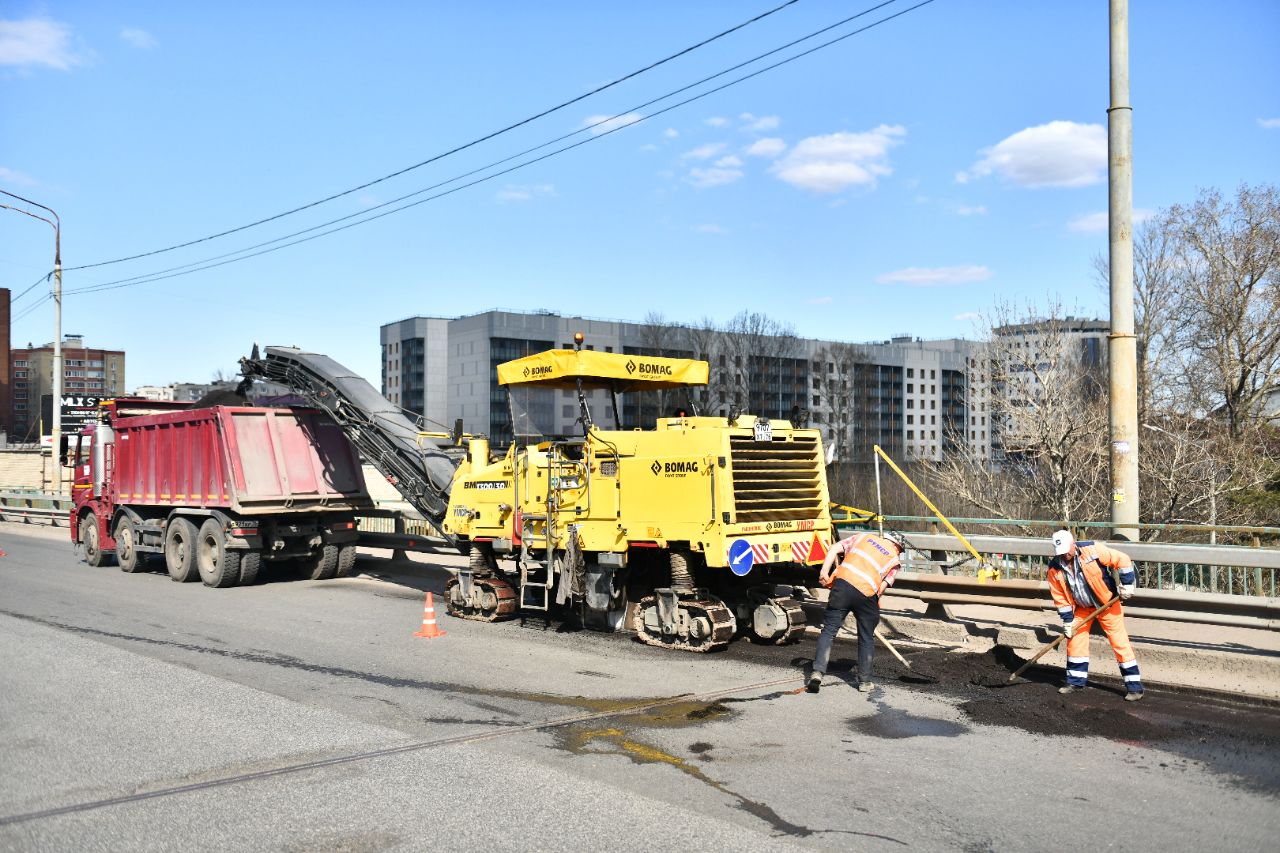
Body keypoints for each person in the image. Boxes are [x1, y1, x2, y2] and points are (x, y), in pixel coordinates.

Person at [1047, 529, 1144, 701]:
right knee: (1075, 640)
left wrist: (1128, 584)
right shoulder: (1055, 568)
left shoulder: (1092, 550)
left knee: (1119, 643)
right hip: (1082, 608)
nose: (1065, 556)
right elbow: (1060, 598)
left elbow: (1122, 560)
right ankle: (1075, 682)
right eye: (1061, 553)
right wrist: (1068, 622)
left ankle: (1135, 688)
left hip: (1107, 604)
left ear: (1073, 543)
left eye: (1067, 551)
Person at [807, 530, 906, 694]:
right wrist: (871, 607)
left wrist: (824, 571)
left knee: (829, 631)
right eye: (900, 551)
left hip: (842, 586)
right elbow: (880, 589)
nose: (899, 554)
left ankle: (817, 673)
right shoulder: (894, 561)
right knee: (866, 638)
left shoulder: (863, 537)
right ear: (896, 546)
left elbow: (833, 549)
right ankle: (865, 682)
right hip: (866, 595)